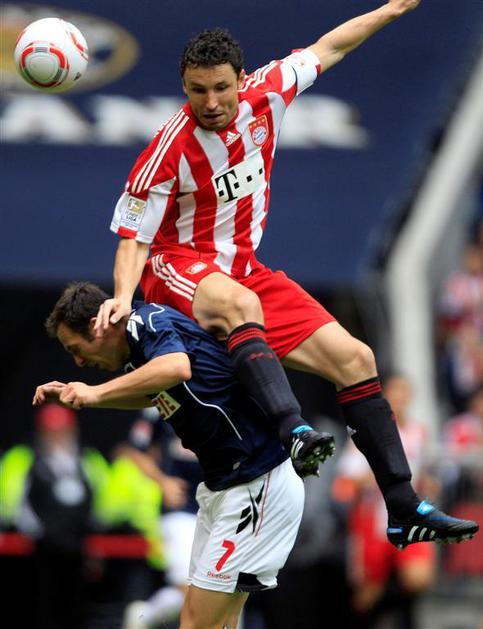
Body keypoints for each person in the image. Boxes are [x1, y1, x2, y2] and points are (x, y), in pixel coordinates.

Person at [96, 0, 479, 549]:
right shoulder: (168, 148)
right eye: (198, 90)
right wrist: (122, 296)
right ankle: (293, 427)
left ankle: (401, 505)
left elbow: (332, 45)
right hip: (176, 268)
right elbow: (134, 236)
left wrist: (393, 9)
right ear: (184, 86)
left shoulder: (269, 90)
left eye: (220, 88)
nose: (210, 102)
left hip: (244, 272)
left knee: (356, 358)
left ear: (240, 79)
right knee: (240, 305)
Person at [33, 282, 307, 629]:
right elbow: (155, 393)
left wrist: (95, 393)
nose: (79, 361)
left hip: (256, 483)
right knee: (216, 621)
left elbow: (177, 367)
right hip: (225, 487)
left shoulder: (147, 320)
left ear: (96, 325)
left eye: (76, 348)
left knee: (198, 623)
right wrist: (88, 399)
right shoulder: (139, 355)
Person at [335, 375, 438, 629]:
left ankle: (401, 616)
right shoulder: (366, 434)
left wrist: (428, 486)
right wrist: (375, 478)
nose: (400, 399)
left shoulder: (418, 433)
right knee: (368, 594)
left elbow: (423, 473)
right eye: (395, 392)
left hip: (409, 519)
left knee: (418, 577)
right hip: (372, 521)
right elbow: (344, 484)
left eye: (404, 392)